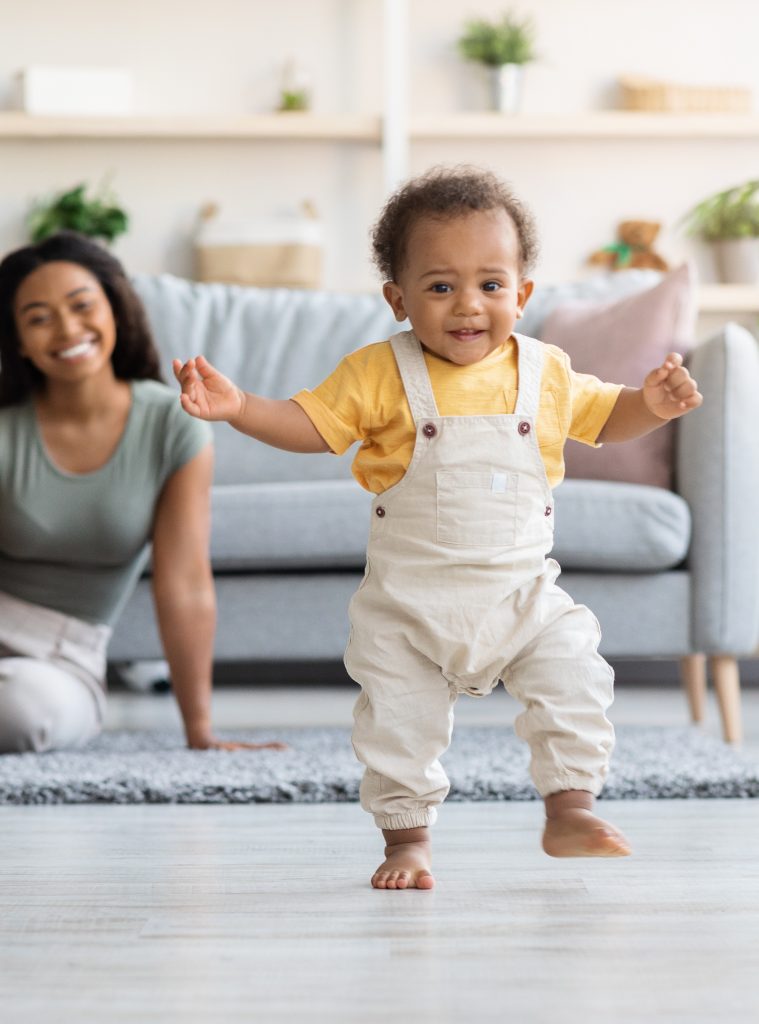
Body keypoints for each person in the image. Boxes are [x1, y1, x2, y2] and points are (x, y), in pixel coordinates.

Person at [173, 166, 702, 888]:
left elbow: (608, 418)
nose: (468, 306)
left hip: (520, 599)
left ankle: (569, 803)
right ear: (398, 298)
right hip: (406, 609)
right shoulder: (378, 372)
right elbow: (312, 426)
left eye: (490, 285)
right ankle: (406, 840)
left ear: (521, 294)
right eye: (439, 286)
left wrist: (654, 404)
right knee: (396, 727)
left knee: (576, 671)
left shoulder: (545, 372)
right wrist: (242, 407)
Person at [0, 232, 284, 754]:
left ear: (114, 309)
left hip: (60, 664)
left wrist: (199, 732)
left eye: (82, 306)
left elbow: (184, 585)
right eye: (38, 317)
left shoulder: (171, 423)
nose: (67, 329)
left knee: (21, 710)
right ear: (18, 340)